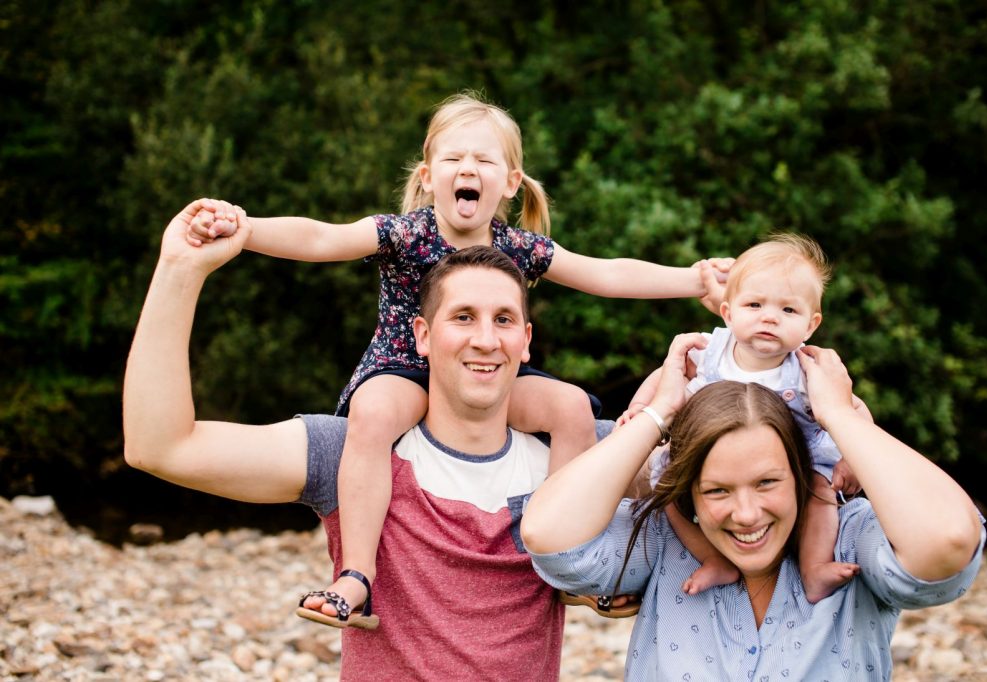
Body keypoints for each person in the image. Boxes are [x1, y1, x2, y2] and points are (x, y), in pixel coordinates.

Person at [186, 92, 730, 626]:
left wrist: (694, 279)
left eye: (484, 160)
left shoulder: (518, 246)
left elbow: (605, 273)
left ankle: (570, 559)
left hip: (489, 371)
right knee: (372, 414)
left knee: (570, 407)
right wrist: (248, 229)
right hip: (405, 368)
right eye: (454, 158)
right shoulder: (403, 233)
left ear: (510, 182)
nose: (468, 168)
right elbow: (321, 238)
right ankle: (357, 573)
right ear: (428, 176)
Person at [123, 202, 633, 679]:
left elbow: (682, 467)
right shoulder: (349, 452)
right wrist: (179, 269)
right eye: (462, 317)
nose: (485, 340)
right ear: (422, 336)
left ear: (525, 341)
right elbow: (161, 447)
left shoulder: (581, 461)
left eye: (503, 320)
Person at [521, 332, 984, 680]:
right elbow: (549, 535)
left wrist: (840, 416)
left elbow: (948, 540)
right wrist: (657, 413)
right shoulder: (664, 538)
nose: (746, 514)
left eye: (767, 482)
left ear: (801, 473)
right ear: (690, 492)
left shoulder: (850, 539)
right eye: (717, 491)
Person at [618, 234, 870, 603]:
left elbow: (853, 408)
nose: (769, 317)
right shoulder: (712, 350)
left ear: (811, 325)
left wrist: (853, 458)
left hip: (796, 458)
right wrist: (642, 407)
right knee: (668, 490)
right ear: (728, 312)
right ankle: (713, 558)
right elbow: (666, 374)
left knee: (821, 492)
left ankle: (814, 567)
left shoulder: (806, 368)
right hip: (712, 457)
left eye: (789, 310)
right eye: (754, 304)